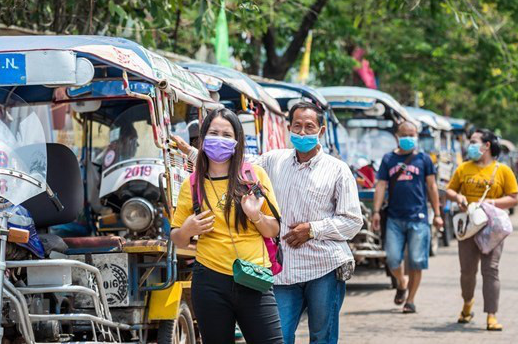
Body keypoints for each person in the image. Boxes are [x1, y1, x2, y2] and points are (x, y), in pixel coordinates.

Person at [174, 102, 362, 344]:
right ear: (289, 128)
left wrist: (313, 230)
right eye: (297, 126)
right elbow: (229, 166)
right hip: (282, 272)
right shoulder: (273, 161)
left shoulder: (338, 170)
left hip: (323, 266)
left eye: (309, 127)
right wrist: (192, 152)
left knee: (322, 337)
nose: (302, 133)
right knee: (280, 337)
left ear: (321, 131)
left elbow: (353, 221)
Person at [170, 108, 283, 344]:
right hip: (209, 281)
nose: (219, 139)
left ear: (236, 141)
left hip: (254, 278)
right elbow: (177, 238)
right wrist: (187, 230)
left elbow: (274, 230)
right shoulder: (191, 185)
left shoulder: (254, 176)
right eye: (213, 133)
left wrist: (255, 216)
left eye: (226, 134)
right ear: (202, 139)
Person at [446, 129, 518, 331]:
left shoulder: (502, 170)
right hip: (469, 226)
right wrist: (458, 198)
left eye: (474, 141)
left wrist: (492, 202)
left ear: (487, 145)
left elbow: (514, 197)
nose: (470, 145)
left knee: (491, 270)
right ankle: (467, 303)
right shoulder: (463, 169)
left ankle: (491, 315)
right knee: (467, 272)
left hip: (492, 228)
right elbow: (450, 190)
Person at [372, 121, 442, 313]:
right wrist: (376, 211)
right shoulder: (388, 159)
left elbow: (432, 186)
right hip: (394, 217)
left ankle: (410, 301)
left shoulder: (424, 159)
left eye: (412, 134)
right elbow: (381, 185)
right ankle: (402, 282)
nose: (409, 138)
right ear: (397, 136)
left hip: (418, 218)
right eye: (405, 134)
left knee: (417, 261)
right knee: (393, 259)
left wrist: (437, 214)